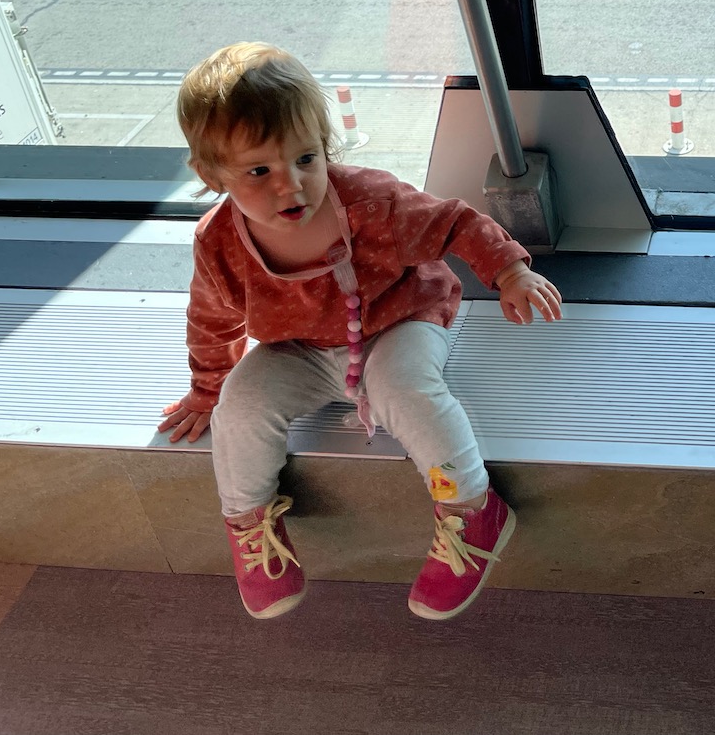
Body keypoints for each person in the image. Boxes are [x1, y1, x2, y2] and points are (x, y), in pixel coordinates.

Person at [158, 42, 562, 621]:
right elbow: (210, 319)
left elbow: (454, 221)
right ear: (211, 174)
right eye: (258, 171)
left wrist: (509, 270)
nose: (290, 186)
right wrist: (208, 387)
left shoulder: (371, 203)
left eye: (305, 159)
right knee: (239, 407)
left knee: (403, 389)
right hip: (295, 346)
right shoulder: (219, 243)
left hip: (398, 320)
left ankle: (473, 509)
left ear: (325, 148)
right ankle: (249, 524)